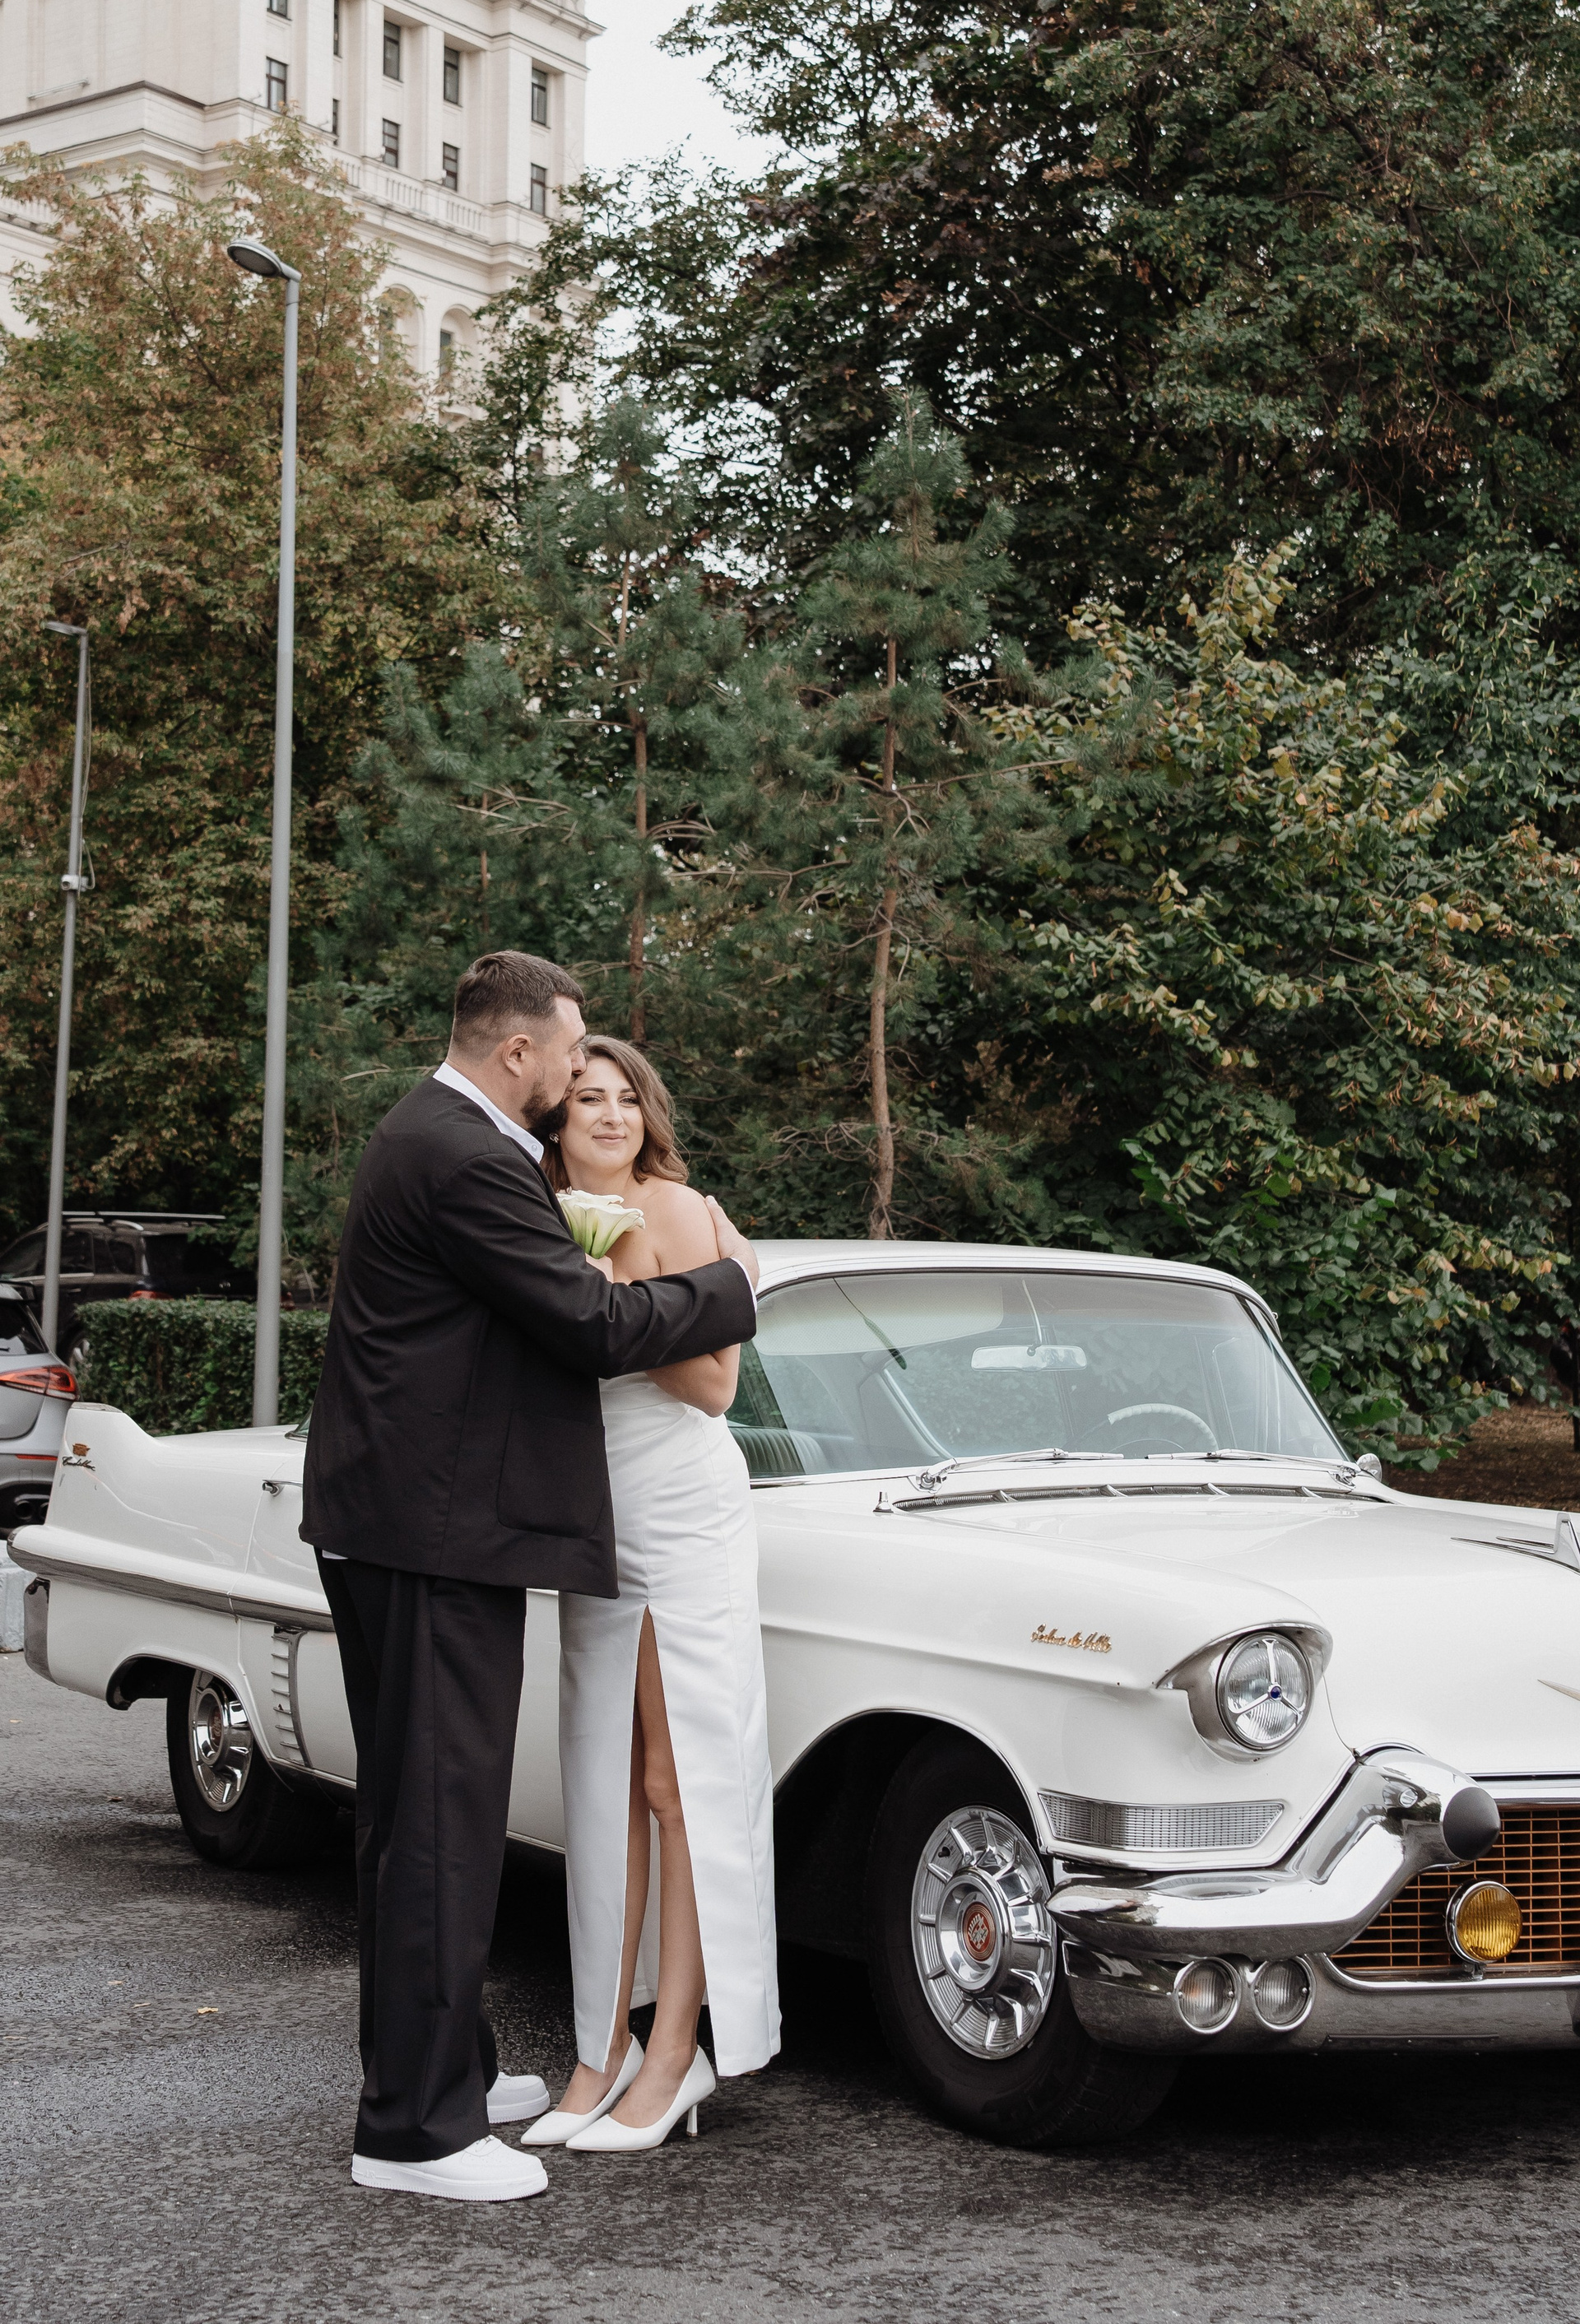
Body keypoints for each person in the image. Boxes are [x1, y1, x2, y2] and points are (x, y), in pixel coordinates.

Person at [301, 954, 759, 2203]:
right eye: (568, 1056)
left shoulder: (438, 1133)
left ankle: (444, 2068)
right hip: (432, 1534)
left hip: (409, 1523)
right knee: (437, 1826)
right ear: (519, 1053)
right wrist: (730, 1285)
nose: (577, 1079)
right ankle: (416, 2135)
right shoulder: (467, 1156)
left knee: (412, 1818)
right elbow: (592, 1326)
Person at [522, 1035, 779, 2155]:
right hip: (595, 1516)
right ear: (556, 1119)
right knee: (605, 1780)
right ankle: (599, 2052)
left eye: (628, 1098)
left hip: (682, 1510)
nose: (612, 1114)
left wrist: (606, 1298)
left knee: (680, 1783)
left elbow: (714, 1386)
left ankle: (678, 2053)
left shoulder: (674, 1210)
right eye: (588, 1097)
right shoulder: (535, 1216)